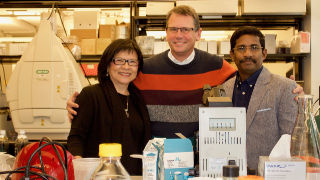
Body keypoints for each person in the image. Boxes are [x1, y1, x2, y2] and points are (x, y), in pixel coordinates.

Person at [67, 6, 302, 139]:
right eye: (174, 29)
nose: (179, 35)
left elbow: (251, 82)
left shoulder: (220, 67)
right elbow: (116, 92)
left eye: (186, 29)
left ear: (198, 34)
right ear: (166, 33)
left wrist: (290, 90)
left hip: (202, 161)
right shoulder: (144, 68)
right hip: (153, 161)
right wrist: (83, 106)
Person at [67, 39, 151, 175]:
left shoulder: (138, 100)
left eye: (132, 62)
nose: (126, 66)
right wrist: (80, 165)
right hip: (97, 174)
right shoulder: (91, 95)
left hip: (134, 175)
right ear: (107, 64)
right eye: (119, 60)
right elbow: (76, 137)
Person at [222, 26, 298, 171]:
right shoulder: (224, 89)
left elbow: (291, 142)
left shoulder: (285, 88)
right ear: (232, 54)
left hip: (269, 174)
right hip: (231, 173)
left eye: (254, 48)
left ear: (264, 53)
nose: (248, 54)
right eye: (241, 48)